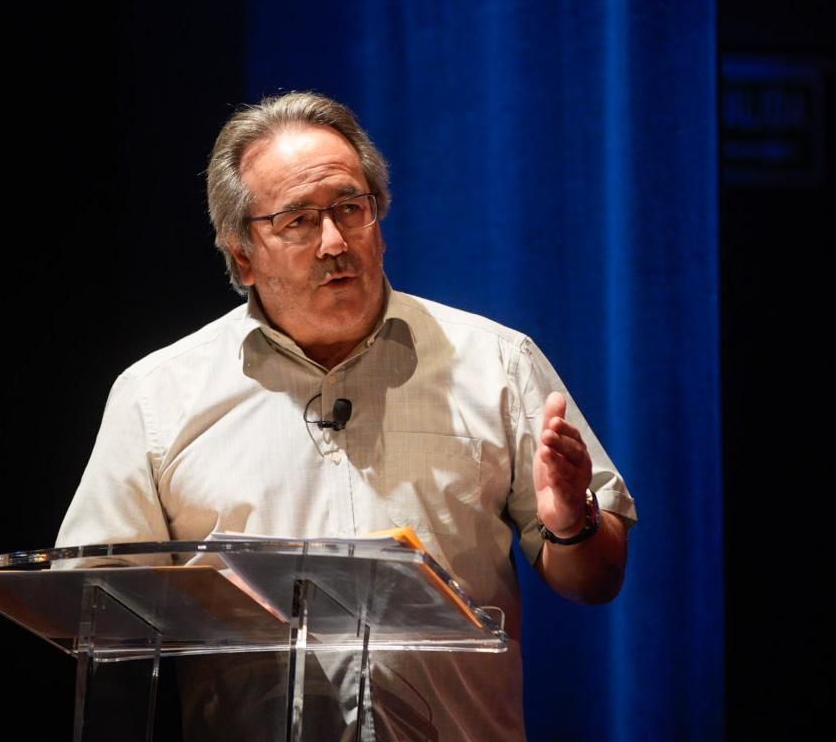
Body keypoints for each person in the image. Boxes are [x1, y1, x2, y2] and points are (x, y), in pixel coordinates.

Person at [58, 91, 636, 741]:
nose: (334, 242)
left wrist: (573, 523)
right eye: (298, 221)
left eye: (350, 208)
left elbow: (597, 580)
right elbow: (92, 607)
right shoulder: (157, 394)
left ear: (378, 220)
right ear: (242, 254)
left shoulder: (496, 363)